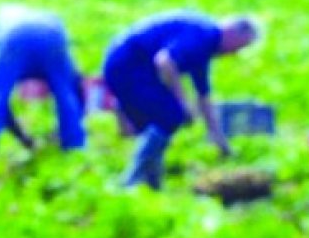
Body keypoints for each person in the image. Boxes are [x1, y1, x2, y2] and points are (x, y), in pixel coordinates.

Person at [103, 11, 259, 189]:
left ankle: (151, 182)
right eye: (239, 47)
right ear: (232, 33)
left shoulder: (205, 45)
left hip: (135, 68)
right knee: (170, 116)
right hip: (126, 66)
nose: (234, 54)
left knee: (163, 120)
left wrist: (218, 138)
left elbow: (204, 96)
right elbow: (165, 61)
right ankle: (133, 180)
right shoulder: (202, 36)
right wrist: (183, 102)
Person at [0, 5, 86, 180]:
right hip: (52, 37)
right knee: (65, 97)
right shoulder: (48, 17)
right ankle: (75, 156)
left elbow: (2, 108)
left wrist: (22, 138)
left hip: (14, 38)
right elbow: (76, 90)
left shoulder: (7, 18)